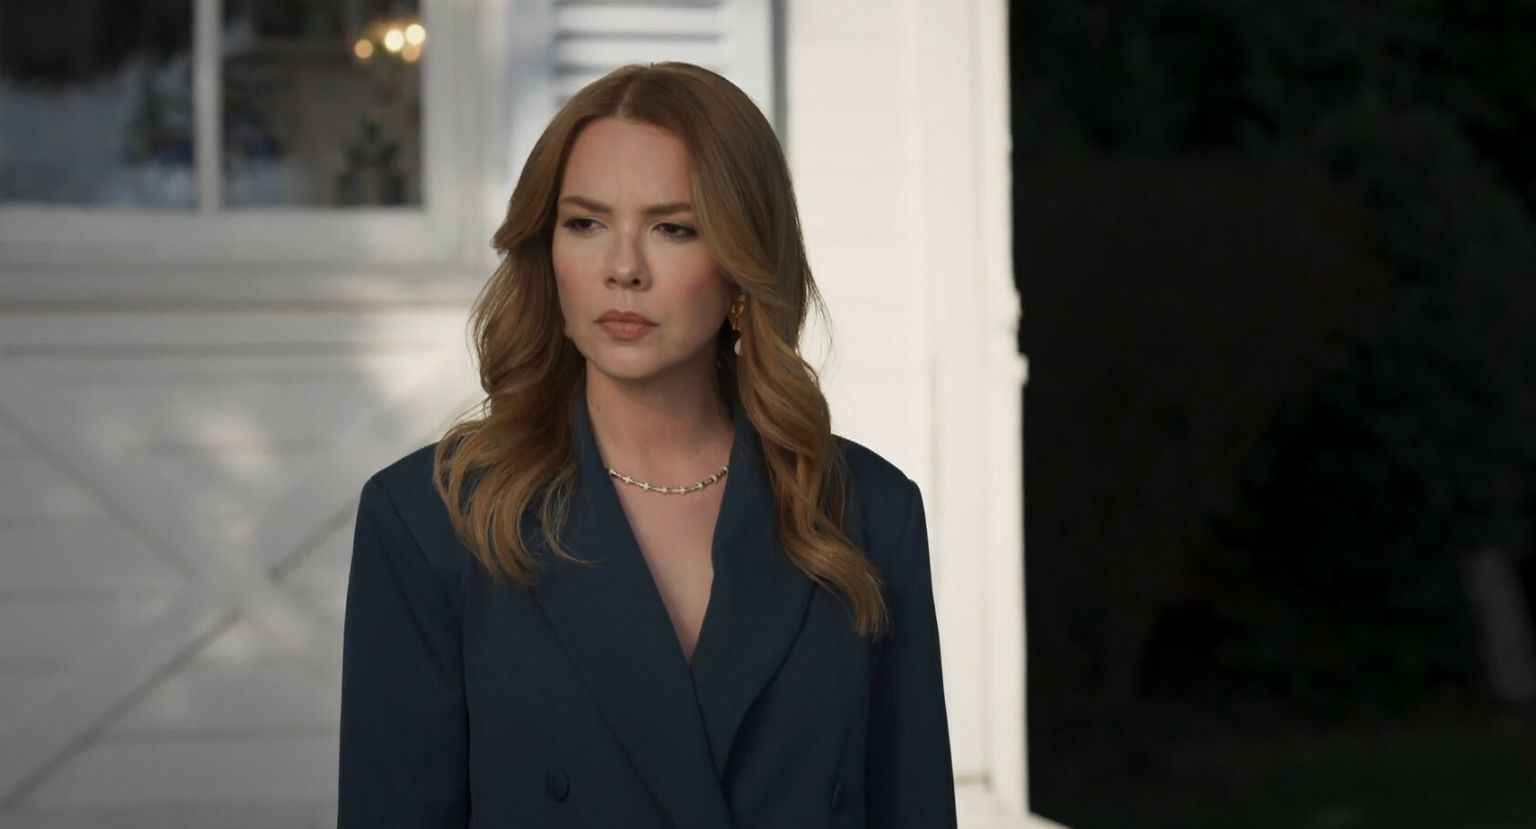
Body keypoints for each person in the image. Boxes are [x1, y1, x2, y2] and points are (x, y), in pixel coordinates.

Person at [337, 61, 956, 828]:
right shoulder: (430, 521)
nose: (623, 269)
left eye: (674, 227)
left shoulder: (868, 513)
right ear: (546, 252)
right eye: (585, 223)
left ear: (743, 264)